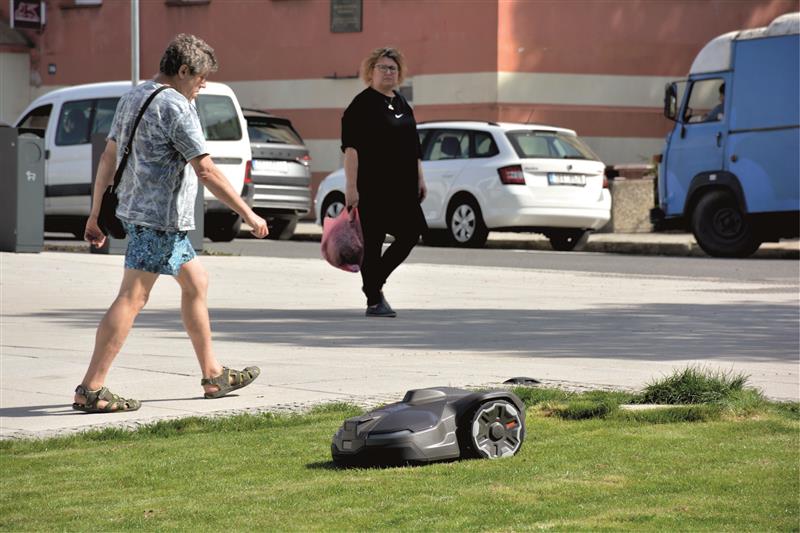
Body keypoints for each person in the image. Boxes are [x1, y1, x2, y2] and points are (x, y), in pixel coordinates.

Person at [73, 34, 268, 413]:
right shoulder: (178, 108)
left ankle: (214, 375)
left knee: (196, 281)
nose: (203, 84)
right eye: (200, 77)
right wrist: (248, 212)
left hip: (139, 213)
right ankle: (91, 388)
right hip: (159, 220)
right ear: (182, 71)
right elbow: (206, 169)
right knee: (132, 297)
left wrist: (95, 213)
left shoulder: (133, 97)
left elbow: (107, 158)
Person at [340, 47, 427, 318]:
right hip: (372, 187)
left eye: (393, 68)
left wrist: (421, 178)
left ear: (399, 73)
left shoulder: (402, 103)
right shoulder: (360, 105)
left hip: (403, 187)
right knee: (373, 241)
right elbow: (351, 150)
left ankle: (374, 284)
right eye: (382, 67)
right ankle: (375, 300)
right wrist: (351, 188)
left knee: (411, 233)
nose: (388, 72)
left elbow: (414, 147)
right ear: (370, 72)